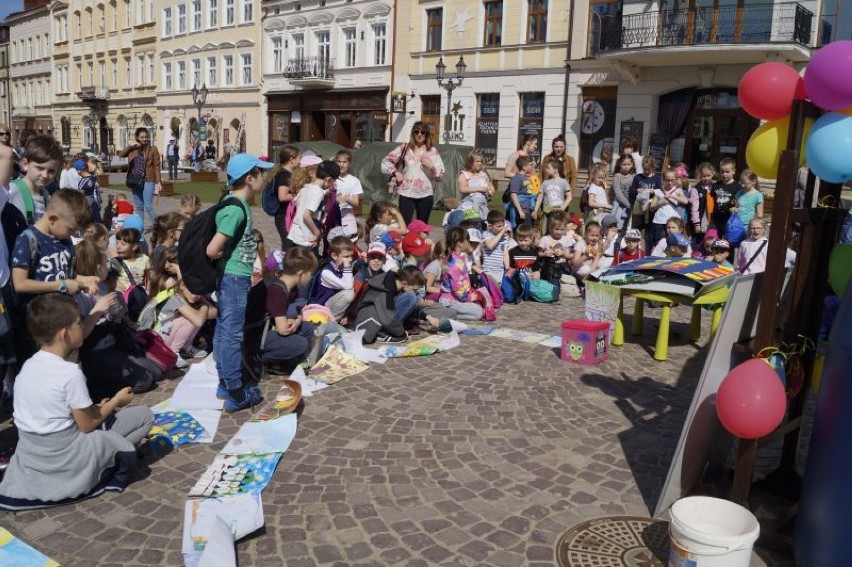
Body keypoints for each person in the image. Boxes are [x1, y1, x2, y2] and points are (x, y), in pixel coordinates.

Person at [0, 293, 153, 511]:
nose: (82, 326)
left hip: (33, 451)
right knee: (145, 416)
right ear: (65, 334)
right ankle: (105, 465)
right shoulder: (69, 373)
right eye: (78, 323)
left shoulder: (29, 366)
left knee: (109, 424)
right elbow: (86, 426)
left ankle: (104, 456)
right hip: (66, 451)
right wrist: (116, 402)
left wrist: (97, 408)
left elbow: (58, 412)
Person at [207, 153, 273, 412]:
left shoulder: (235, 203)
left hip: (235, 276)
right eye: (261, 174)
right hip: (234, 278)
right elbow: (213, 250)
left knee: (225, 331)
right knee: (232, 334)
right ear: (250, 178)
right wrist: (224, 257)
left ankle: (226, 383)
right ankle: (236, 392)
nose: (264, 179)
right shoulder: (234, 208)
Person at [246, 247, 318, 369]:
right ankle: (256, 359)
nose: (311, 277)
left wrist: (297, 320)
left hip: (270, 326)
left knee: (309, 328)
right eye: (311, 274)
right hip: (254, 334)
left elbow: (298, 311)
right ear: (301, 273)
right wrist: (292, 323)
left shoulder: (291, 286)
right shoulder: (277, 290)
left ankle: (285, 358)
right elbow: (283, 330)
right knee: (300, 343)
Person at [381, 121, 445, 224]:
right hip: (406, 193)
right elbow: (386, 161)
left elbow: (440, 175)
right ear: (413, 133)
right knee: (405, 225)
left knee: (422, 228)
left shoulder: (432, 151)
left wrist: (432, 167)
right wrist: (395, 173)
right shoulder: (405, 148)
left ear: (426, 134)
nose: (419, 134)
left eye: (423, 132)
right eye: (417, 131)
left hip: (425, 194)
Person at [354, 265, 425, 343]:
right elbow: (388, 319)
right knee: (411, 297)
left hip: (380, 319)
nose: (415, 291)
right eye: (414, 289)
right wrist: (401, 333)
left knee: (415, 296)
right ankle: (383, 334)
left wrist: (426, 316)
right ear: (404, 283)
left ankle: (392, 331)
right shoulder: (384, 291)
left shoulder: (395, 286)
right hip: (368, 327)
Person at [286, 160, 340, 252]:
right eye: (333, 182)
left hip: (296, 234)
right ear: (328, 179)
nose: (332, 185)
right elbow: (306, 215)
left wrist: (320, 223)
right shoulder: (317, 193)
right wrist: (316, 232)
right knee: (309, 265)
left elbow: (301, 208)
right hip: (306, 239)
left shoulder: (305, 187)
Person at [8, 136, 63, 225]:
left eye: (51, 171)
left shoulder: (44, 194)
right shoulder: (11, 191)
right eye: (40, 168)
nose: (45, 175)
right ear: (25, 164)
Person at [118, 127, 162, 226]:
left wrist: (158, 182)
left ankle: (158, 226)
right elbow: (121, 154)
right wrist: (132, 147)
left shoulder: (152, 149)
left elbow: (156, 166)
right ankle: (140, 228)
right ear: (137, 137)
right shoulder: (133, 150)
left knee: (148, 205)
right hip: (135, 180)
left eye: (146, 137)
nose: (144, 139)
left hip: (148, 180)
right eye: (142, 137)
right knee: (139, 206)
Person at [439, 227, 484, 320]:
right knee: (479, 312)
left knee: (478, 310)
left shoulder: (456, 258)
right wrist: (468, 298)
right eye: (467, 240)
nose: (469, 243)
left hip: (456, 299)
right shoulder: (455, 263)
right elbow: (457, 288)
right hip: (451, 301)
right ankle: (447, 314)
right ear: (460, 243)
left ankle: (449, 314)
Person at [310, 236, 355, 321]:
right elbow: (348, 285)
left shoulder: (342, 268)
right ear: (334, 256)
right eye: (346, 256)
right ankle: (331, 322)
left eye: (351, 256)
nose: (350, 259)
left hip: (332, 302)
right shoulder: (326, 272)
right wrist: (347, 267)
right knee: (349, 293)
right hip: (320, 306)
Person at [269, 145, 301, 247]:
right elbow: (282, 196)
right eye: (299, 158)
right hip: (283, 216)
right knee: (288, 246)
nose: (300, 161)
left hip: (286, 215)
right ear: (292, 159)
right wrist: (299, 195)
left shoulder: (285, 173)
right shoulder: (284, 175)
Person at [629, 156, 663, 250]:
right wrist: (637, 190)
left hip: (651, 209)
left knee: (649, 231)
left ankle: (647, 251)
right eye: (644, 169)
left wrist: (654, 191)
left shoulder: (656, 178)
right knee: (636, 229)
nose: (646, 171)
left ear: (652, 168)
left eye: (648, 169)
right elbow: (631, 191)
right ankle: (635, 250)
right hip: (639, 209)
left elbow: (661, 192)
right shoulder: (637, 177)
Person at [649, 168, 689, 249]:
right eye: (667, 180)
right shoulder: (658, 191)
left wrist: (672, 196)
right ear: (663, 179)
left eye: (672, 180)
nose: (670, 182)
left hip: (673, 222)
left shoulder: (678, 190)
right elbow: (652, 207)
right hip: (659, 221)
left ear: (675, 179)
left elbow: (685, 201)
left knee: (674, 243)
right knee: (659, 243)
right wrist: (661, 202)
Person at [455, 150, 494, 226]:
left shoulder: (483, 174)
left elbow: (491, 186)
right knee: (470, 223)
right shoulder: (464, 174)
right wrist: (479, 189)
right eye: (477, 161)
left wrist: (490, 191)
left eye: (481, 161)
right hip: (468, 206)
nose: (480, 163)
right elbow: (462, 189)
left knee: (482, 224)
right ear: (470, 162)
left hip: (482, 206)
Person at [334, 150, 364, 239]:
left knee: (349, 245)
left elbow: (356, 203)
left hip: (347, 219)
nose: (341, 165)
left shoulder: (354, 181)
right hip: (332, 218)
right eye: (339, 162)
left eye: (344, 162)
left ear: (349, 163)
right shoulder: (331, 178)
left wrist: (346, 197)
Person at [506, 155, 541, 228]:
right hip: (521, 210)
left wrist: (534, 210)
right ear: (524, 167)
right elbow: (513, 195)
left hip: (528, 209)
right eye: (531, 165)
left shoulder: (526, 178)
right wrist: (520, 211)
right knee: (524, 231)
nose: (532, 167)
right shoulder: (516, 178)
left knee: (528, 231)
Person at [481, 210, 513, 285]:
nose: (502, 228)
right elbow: (490, 246)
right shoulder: (486, 234)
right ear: (490, 226)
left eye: (503, 225)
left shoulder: (504, 238)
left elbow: (505, 254)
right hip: (488, 271)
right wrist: (502, 233)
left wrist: (507, 269)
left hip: (500, 271)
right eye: (499, 226)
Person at [540, 159, 571, 235]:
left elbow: (569, 197)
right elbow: (540, 196)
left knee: (558, 229)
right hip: (547, 211)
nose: (546, 169)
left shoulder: (563, 182)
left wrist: (563, 208)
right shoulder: (545, 182)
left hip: (559, 212)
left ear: (555, 170)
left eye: (548, 168)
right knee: (546, 230)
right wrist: (535, 209)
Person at [711, 157, 740, 238]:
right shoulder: (716, 185)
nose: (724, 174)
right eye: (722, 172)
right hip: (716, 220)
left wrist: (736, 208)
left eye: (727, 172)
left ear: (733, 171)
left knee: (728, 244)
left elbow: (740, 202)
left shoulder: (737, 187)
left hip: (730, 221)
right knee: (714, 243)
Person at [689, 162, 715, 246]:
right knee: (698, 245)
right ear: (700, 175)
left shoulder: (715, 187)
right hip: (699, 222)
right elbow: (694, 208)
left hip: (711, 222)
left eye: (708, 175)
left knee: (710, 244)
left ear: (713, 174)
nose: (706, 178)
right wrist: (697, 224)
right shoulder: (696, 189)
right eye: (704, 176)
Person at [611, 155, 635, 230]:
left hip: (629, 202)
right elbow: (618, 194)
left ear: (632, 165)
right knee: (615, 213)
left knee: (627, 224)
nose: (626, 167)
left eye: (628, 164)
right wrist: (628, 204)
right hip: (619, 201)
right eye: (624, 164)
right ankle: (611, 223)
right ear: (619, 164)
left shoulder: (633, 177)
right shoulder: (617, 176)